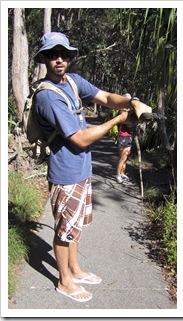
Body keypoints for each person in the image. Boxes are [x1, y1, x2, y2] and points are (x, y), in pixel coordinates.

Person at [33, 32, 152, 302]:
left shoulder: (73, 82)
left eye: (63, 54)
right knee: (65, 230)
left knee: (76, 226)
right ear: (44, 59)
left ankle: (74, 269)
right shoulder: (48, 97)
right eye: (52, 55)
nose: (59, 59)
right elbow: (80, 137)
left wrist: (130, 102)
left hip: (82, 170)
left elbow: (106, 97)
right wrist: (117, 121)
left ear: (70, 58)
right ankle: (64, 282)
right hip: (65, 173)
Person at [115, 93, 134, 184]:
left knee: (126, 156)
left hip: (129, 135)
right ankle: (118, 174)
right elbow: (124, 120)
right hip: (123, 136)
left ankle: (122, 173)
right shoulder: (122, 111)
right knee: (122, 157)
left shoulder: (129, 110)